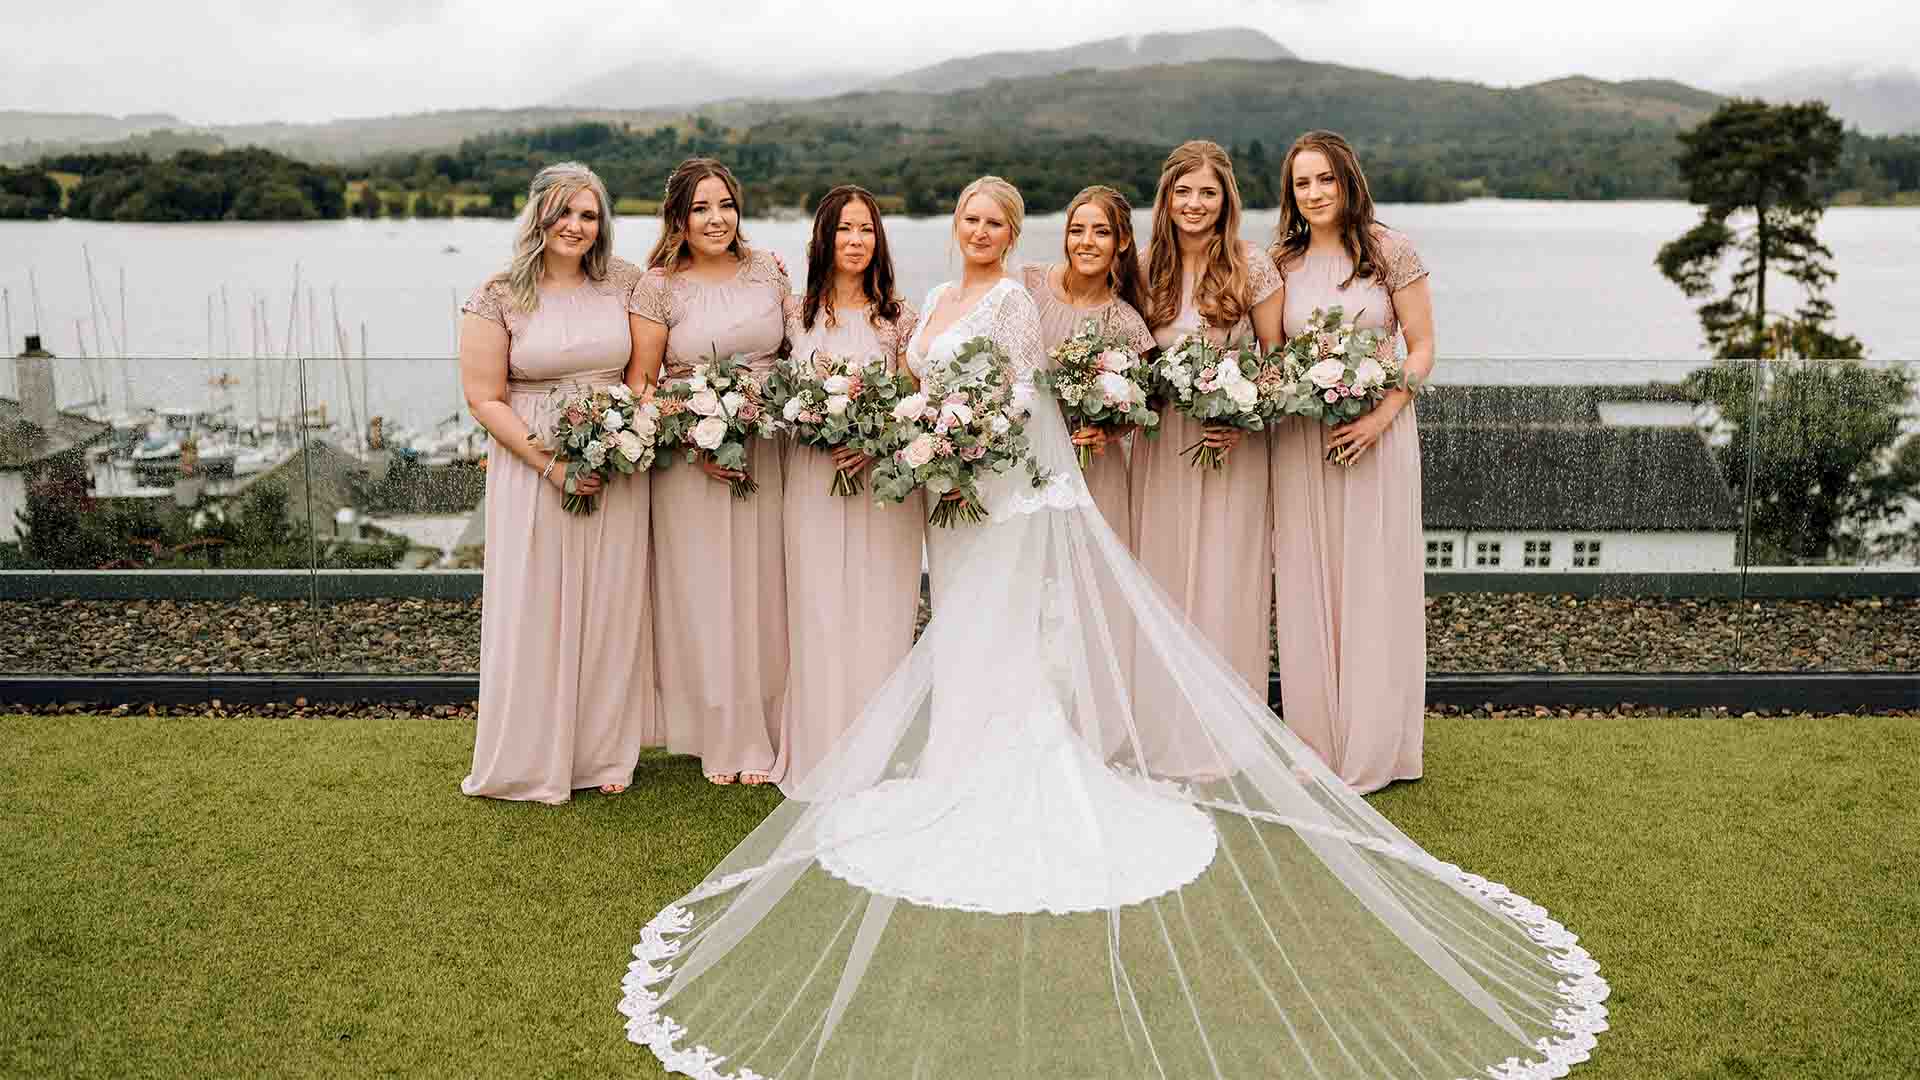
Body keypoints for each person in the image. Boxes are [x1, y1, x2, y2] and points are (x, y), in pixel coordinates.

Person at [617, 175, 1608, 1080]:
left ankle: (1016, 764)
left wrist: (967, 452)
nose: (979, 231)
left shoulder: (1008, 302)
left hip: (991, 491)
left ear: (1012, 237)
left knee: (1004, 629)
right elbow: (923, 385)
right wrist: (923, 440)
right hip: (946, 497)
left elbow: (1016, 399)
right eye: (969, 218)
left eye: (996, 221)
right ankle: (960, 754)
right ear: (956, 229)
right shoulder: (934, 305)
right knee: (964, 628)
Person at [457, 162, 656, 803]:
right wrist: (551, 465)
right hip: (531, 463)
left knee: (610, 602)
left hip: (615, 461)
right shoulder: (498, 293)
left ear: (603, 225)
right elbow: (484, 398)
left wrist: (620, 436)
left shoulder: (627, 283)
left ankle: (601, 755)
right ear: (540, 215)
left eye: (589, 215)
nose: (575, 226)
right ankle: (529, 755)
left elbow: (646, 369)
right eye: (564, 212)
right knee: (534, 604)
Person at [1268, 130, 1437, 794]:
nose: (1314, 193)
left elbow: (1421, 348)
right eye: (1301, 183)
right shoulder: (1281, 262)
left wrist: (1379, 416)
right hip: (1303, 441)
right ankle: (1317, 742)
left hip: (1378, 437)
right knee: (1309, 581)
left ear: (1348, 181)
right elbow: (1273, 354)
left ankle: (1375, 746)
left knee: (1372, 582)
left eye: (1325, 180)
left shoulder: (1391, 252)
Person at [630, 158, 790, 786]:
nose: (715, 219)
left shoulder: (769, 270)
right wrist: (697, 438)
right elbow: (642, 381)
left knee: (764, 585)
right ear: (678, 216)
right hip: (690, 462)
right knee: (703, 590)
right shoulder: (657, 286)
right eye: (700, 208)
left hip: (768, 451)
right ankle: (716, 732)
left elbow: (795, 352)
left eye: (724, 204)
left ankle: (771, 726)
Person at [771, 185, 924, 793]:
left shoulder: (900, 318)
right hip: (811, 477)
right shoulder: (792, 313)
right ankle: (819, 747)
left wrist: (874, 438)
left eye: (866, 230)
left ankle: (879, 752)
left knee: (881, 607)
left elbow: (916, 402)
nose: (855, 241)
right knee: (818, 607)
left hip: (883, 482)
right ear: (823, 240)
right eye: (843, 230)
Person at [1018, 184, 1157, 539]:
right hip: (1030, 463)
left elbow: (1146, 402)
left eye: (1101, 231)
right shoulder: (1029, 284)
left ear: (1122, 242)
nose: (1086, 242)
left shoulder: (1126, 321)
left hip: (1094, 469)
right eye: (1077, 230)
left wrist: (1108, 431)